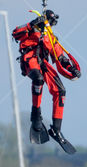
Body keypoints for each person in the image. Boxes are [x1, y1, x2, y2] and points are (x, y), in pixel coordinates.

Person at [12, 9, 81, 154]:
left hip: (43, 63)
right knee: (38, 79)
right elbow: (15, 33)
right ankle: (36, 115)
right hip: (29, 59)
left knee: (60, 91)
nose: (49, 26)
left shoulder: (50, 38)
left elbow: (61, 57)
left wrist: (72, 69)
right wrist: (31, 25)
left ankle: (56, 129)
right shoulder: (30, 29)